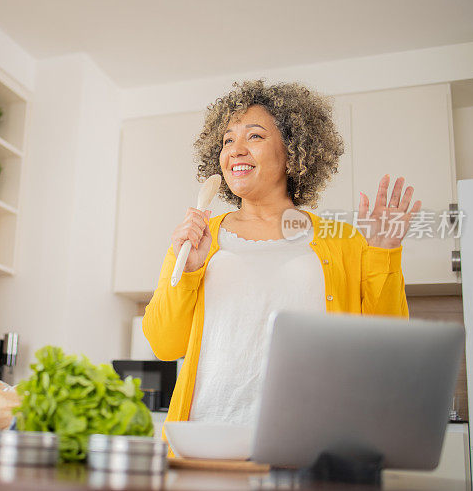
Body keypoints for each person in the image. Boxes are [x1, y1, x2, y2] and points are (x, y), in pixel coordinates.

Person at [142, 80, 421, 435]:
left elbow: (388, 351)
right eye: (228, 140)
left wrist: (383, 254)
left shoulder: (344, 241)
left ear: (293, 151)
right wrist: (190, 267)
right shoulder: (198, 239)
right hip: (207, 440)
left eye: (254, 136)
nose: (236, 150)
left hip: (312, 445)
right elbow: (165, 344)